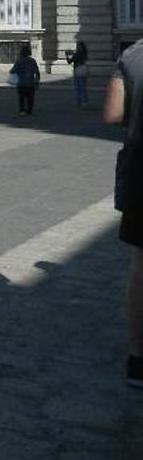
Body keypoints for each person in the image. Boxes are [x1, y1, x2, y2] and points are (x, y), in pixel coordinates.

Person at [102, 40, 143, 389]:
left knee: (140, 266)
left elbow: (113, 115)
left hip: (140, 166)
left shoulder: (131, 56)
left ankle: (137, 358)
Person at [9, 43, 41, 116]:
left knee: (21, 98)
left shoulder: (19, 61)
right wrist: (37, 81)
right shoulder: (32, 61)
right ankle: (29, 110)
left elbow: (12, 71)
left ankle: (22, 110)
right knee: (30, 97)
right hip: (30, 82)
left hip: (21, 82)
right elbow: (37, 71)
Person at [66, 40, 90, 108]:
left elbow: (70, 61)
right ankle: (84, 101)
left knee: (78, 87)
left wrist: (67, 55)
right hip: (83, 71)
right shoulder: (85, 54)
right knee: (83, 87)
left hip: (77, 71)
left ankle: (79, 101)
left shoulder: (77, 53)